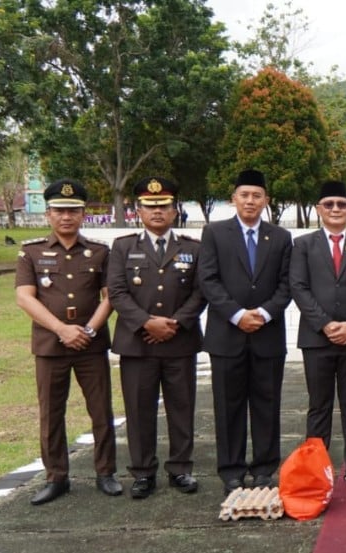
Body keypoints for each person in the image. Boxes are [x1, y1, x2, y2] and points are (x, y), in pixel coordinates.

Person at [14, 179, 121, 505]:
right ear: (48, 214)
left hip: (91, 345)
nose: (66, 217)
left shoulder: (100, 252)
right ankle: (56, 477)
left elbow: (110, 296)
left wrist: (87, 330)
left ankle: (106, 472)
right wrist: (62, 329)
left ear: (83, 214)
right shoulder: (31, 252)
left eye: (73, 211)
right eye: (59, 210)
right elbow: (24, 297)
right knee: (51, 413)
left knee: (101, 411)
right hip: (50, 346)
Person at [107, 177, 206, 499]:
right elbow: (117, 293)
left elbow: (200, 291)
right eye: (150, 207)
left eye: (164, 206)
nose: (157, 212)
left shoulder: (192, 248)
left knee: (181, 407)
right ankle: (143, 472)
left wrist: (175, 323)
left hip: (179, 342)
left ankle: (181, 469)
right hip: (137, 344)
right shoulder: (123, 247)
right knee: (138, 410)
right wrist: (147, 323)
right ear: (138, 211)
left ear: (175, 210)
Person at [197, 169, 292, 494]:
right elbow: (208, 279)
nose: (250, 201)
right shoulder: (214, 233)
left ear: (266, 200)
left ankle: (265, 469)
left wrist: (264, 314)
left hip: (267, 336)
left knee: (267, 405)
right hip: (227, 336)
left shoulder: (280, 237)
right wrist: (237, 315)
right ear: (233, 198)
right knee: (228, 407)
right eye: (244, 195)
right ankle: (232, 471)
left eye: (257, 195)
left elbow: (286, 283)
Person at [290, 180, 346, 489]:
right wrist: (325, 323)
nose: (336, 209)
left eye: (341, 204)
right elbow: (298, 287)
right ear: (319, 209)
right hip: (317, 338)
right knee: (319, 404)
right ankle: (316, 465)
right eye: (329, 204)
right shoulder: (303, 245)